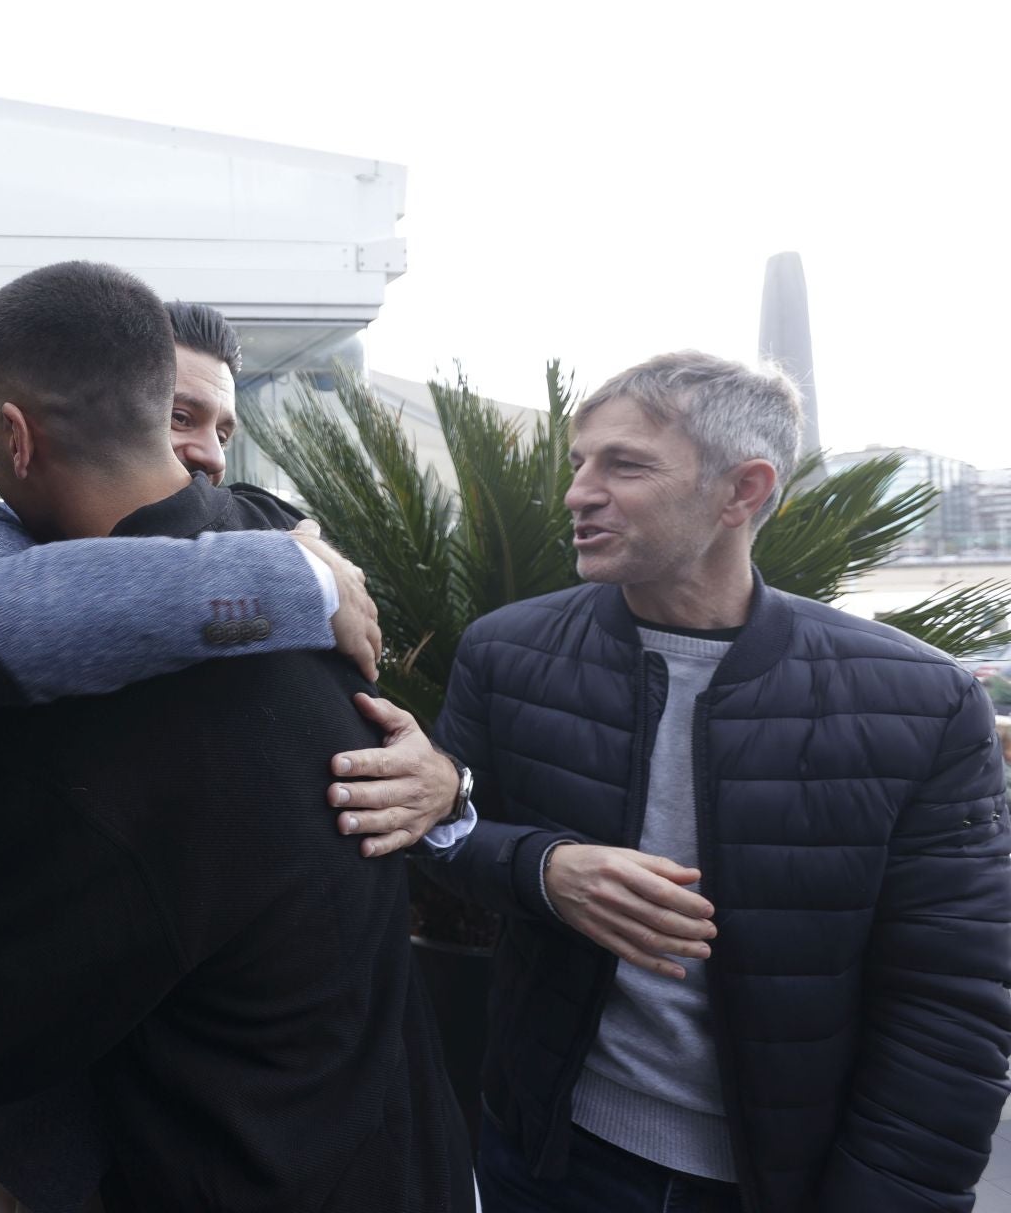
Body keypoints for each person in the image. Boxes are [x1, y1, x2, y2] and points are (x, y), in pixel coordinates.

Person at [339, 352, 1011, 1212]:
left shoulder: (920, 702)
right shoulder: (507, 652)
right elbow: (450, 836)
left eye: (625, 464)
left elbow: (949, 1007)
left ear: (743, 491)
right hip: (543, 1161)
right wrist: (546, 871)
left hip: (785, 1183)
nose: (580, 491)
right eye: (579, 462)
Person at [0, 262, 473, 1213]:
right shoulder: (314, 584)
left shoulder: (78, 731)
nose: (211, 450)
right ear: (155, 409)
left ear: (15, 437)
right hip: (399, 1148)